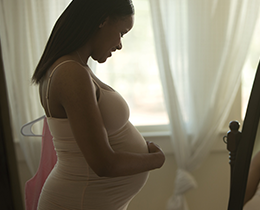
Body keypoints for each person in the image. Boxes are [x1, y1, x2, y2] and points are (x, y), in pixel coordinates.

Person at [31, 0, 165, 209]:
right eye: (122, 32)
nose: (120, 44)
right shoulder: (70, 72)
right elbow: (104, 163)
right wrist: (156, 160)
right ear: (103, 21)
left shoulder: (75, 68)